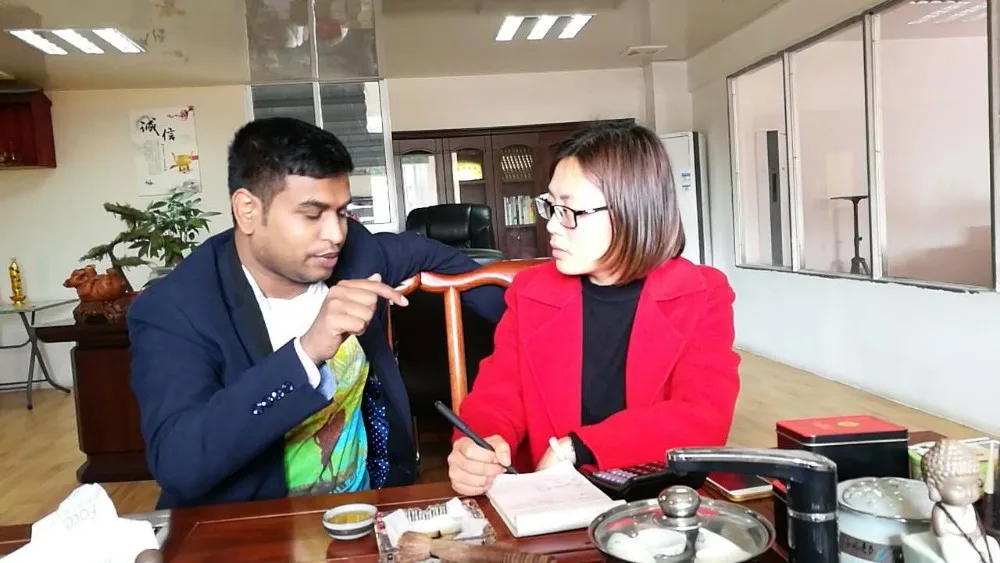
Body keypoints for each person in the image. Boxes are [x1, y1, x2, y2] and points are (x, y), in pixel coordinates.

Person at [128, 117, 506, 509]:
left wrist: (524, 327)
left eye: (341, 212)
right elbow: (179, 463)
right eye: (312, 214)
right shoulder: (176, 308)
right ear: (247, 210)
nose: (336, 234)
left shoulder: (358, 254)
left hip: (368, 513)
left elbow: (450, 262)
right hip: (255, 526)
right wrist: (306, 353)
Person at [447, 122, 741, 496]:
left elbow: (702, 416)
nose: (552, 226)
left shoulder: (702, 293)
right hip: (554, 504)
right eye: (551, 207)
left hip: (658, 502)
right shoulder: (531, 291)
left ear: (631, 210)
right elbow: (500, 392)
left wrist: (578, 448)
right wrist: (478, 445)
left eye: (569, 210)